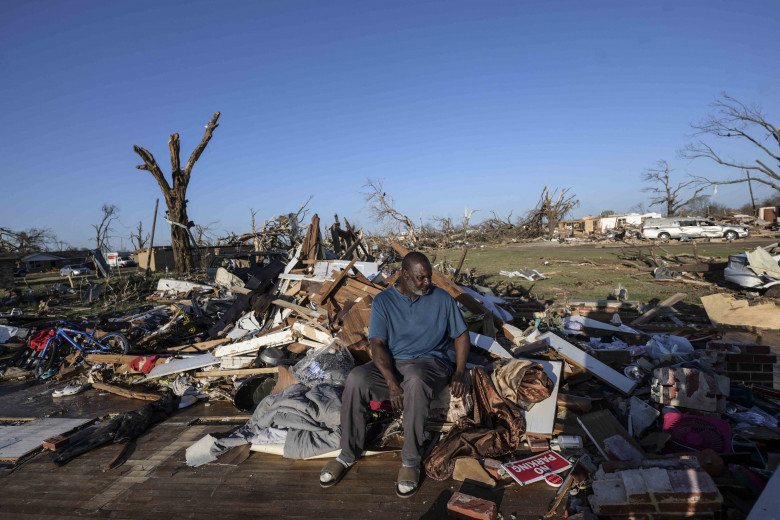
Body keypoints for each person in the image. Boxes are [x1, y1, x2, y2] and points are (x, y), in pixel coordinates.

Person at [319, 251, 470, 498]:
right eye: (421, 278)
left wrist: (461, 371)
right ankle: (348, 454)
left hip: (432, 362)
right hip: (397, 362)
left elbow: (461, 334)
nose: (427, 283)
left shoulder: (442, 299)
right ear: (405, 275)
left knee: (416, 379)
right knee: (357, 378)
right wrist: (390, 381)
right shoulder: (383, 301)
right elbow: (377, 343)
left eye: (429, 277)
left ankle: (410, 461)